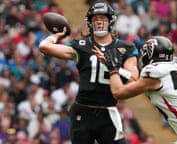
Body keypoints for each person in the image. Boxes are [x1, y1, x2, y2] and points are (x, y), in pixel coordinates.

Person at [39, 0, 139, 144]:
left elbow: (134, 81)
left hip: (108, 111)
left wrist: (112, 66)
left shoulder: (126, 48)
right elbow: (44, 47)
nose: (99, 22)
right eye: (95, 19)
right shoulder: (82, 45)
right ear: (90, 23)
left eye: (103, 18)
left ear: (111, 21)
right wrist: (58, 35)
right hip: (82, 111)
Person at [97, 36, 177, 144]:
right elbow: (140, 84)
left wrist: (113, 69)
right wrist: (118, 69)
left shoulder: (154, 72)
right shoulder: (176, 68)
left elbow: (118, 92)